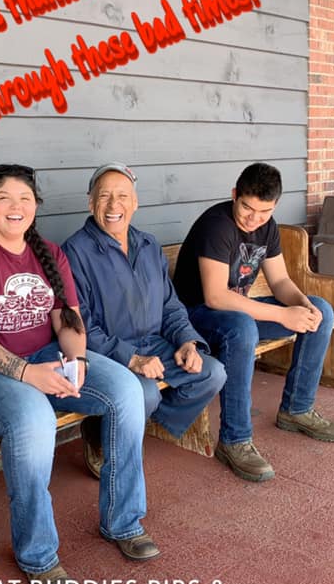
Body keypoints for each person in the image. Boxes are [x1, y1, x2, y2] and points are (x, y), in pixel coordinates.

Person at [0, 163, 159, 584]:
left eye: (24, 199)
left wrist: (76, 360)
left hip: (43, 357)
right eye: (4, 198)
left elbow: (68, 320)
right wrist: (27, 374)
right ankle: (37, 554)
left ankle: (124, 521)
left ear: (35, 206)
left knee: (127, 390)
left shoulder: (50, 253)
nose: (14, 207)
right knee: (34, 415)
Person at [173, 162, 334, 482]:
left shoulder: (268, 228)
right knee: (242, 329)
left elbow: (279, 282)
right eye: (247, 208)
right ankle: (234, 440)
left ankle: (296, 409)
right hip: (195, 317)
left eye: (264, 212)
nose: (253, 219)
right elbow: (215, 297)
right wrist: (283, 315)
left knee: (320, 312)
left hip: (236, 312)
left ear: (274, 206)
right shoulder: (217, 225)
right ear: (235, 195)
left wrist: (303, 305)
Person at [62, 162, 226, 476]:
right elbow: (80, 325)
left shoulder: (148, 245)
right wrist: (133, 359)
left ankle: (136, 422)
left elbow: (170, 305)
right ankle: (100, 432)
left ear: (135, 202)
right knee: (145, 392)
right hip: (107, 353)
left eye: (123, 196)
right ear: (90, 202)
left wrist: (187, 342)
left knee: (212, 373)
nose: (114, 205)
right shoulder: (75, 252)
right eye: (104, 196)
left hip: (155, 344)